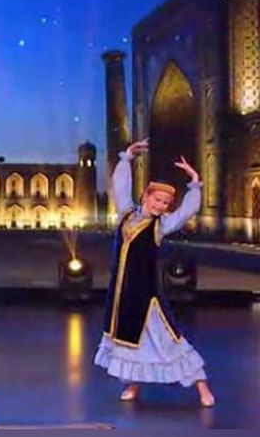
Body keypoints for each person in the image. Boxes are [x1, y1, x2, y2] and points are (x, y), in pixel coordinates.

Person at [94, 138, 215, 407]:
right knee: (130, 342)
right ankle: (134, 384)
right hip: (123, 296)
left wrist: (195, 183)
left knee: (166, 340)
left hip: (148, 297)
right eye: (158, 200)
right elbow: (121, 187)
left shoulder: (160, 226)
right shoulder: (126, 215)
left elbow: (186, 212)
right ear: (146, 196)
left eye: (165, 203)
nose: (161, 206)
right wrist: (126, 158)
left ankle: (202, 386)